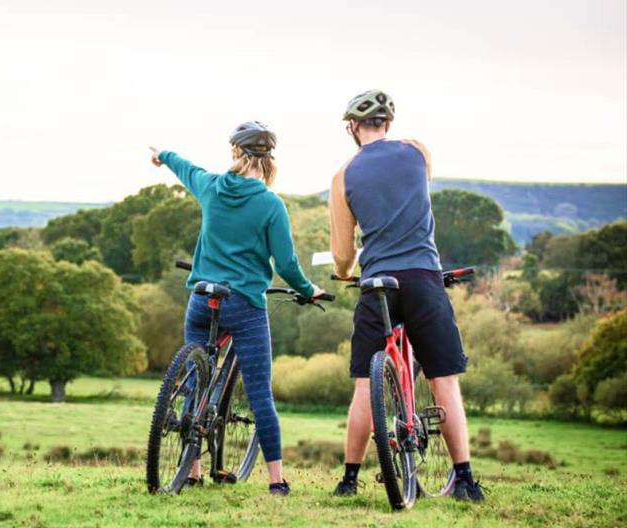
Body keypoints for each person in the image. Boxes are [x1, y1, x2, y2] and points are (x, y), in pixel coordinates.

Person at [149, 121, 325, 496]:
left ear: (235, 154)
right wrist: (309, 291)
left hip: (201, 298)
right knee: (260, 393)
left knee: (195, 378)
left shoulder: (211, 187)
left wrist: (161, 155)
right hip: (244, 305)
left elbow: (185, 166)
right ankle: (277, 481)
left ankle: (191, 470)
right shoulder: (270, 204)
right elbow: (287, 265)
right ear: (269, 160)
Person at [328, 90, 485, 501]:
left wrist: (345, 273)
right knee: (443, 378)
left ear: (352, 128)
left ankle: (348, 480)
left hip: (378, 281)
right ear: (388, 123)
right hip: (422, 277)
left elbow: (344, 255)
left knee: (366, 382)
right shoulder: (418, 152)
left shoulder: (343, 176)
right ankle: (465, 479)